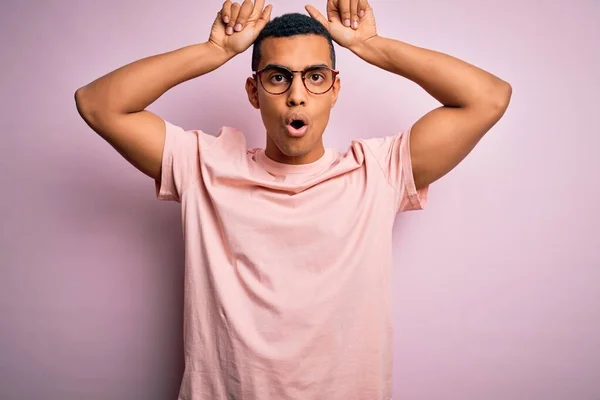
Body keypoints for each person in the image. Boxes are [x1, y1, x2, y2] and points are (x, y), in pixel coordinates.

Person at [74, 0, 511, 399]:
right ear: (253, 91)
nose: (297, 94)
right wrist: (213, 52)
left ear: (335, 90)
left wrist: (372, 45)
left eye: (315, 77)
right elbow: (97, 104)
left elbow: (488, 97)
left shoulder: (376, 172)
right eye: (278, 77)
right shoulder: (204, 166)